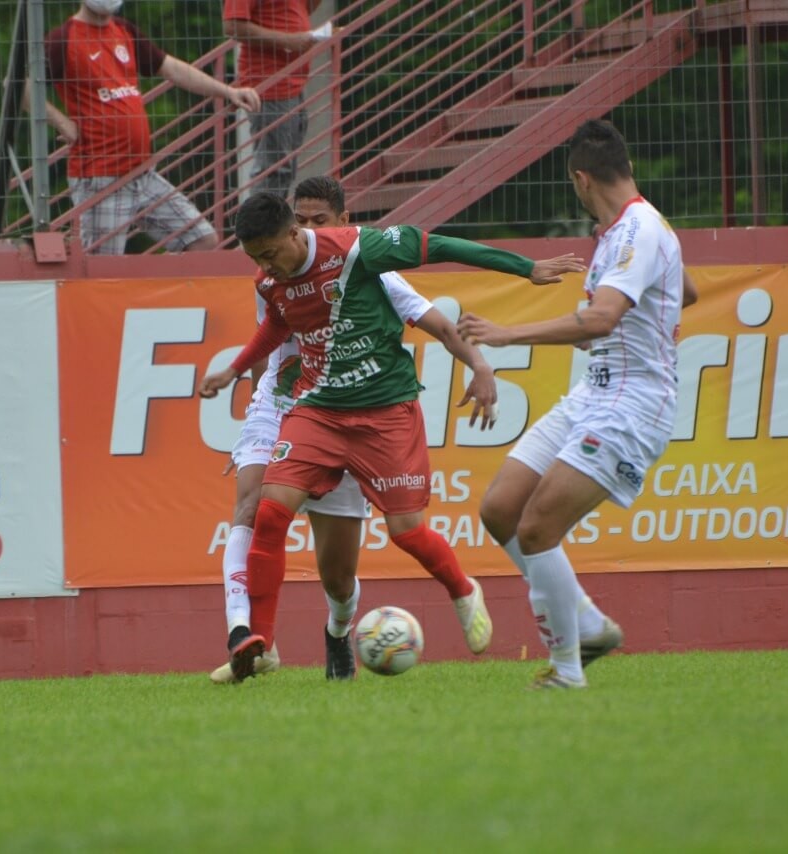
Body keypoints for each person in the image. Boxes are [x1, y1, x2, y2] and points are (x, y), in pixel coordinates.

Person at [199, 191, 586, 680]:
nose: (266, 267)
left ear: (297, 234)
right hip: (317, 408)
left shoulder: (363, 250)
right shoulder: (270, 279)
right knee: (269, 512)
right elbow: (276, 325)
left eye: (271, 254)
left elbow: (444, 246)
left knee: (405, 532)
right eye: (256, 259)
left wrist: (524, 269)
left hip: (384, 411)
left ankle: (463, 591)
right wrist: (234, 369)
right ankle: (262, 643)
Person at [455, 119, 696, 690]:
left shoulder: (637, 230)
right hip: (595, 390)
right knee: (500, 509)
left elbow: (601, 317)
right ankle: (586, 622)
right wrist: (655, 308)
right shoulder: (621, 232)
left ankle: (567, 673)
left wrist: (506, 334)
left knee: (538, 528)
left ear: (581, 179)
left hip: (633, 402)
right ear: (627, 168)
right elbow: (683, 292)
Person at [211, 176, 421, 683]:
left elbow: (421, 316)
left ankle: (338, 629)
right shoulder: (273, 270)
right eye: (298, 221)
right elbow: (273, 344)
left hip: (347, 413)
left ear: (344, 223)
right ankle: (247, 637)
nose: (303, 232)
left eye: (317, 221)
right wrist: (256, 430)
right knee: (251, 504)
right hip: (284, 405)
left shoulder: (369, 267)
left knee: (338, 575)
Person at [31, 0, 261, 255]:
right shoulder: (63, 38)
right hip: (100, 175)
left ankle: (160, 294)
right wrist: (62, 122)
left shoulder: (124, 30)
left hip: (142, 173)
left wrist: (228, 91)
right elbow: (20, 85)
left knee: (202, 241)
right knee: (102, 268)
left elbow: (172, 68)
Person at [223, 0, 323, 199]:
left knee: (282, 172)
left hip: (291, 84)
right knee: (274, 172)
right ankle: (258, 229)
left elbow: (304, 7)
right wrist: (288, 40)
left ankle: (271, 226)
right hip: (269, 85)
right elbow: (232, 26)